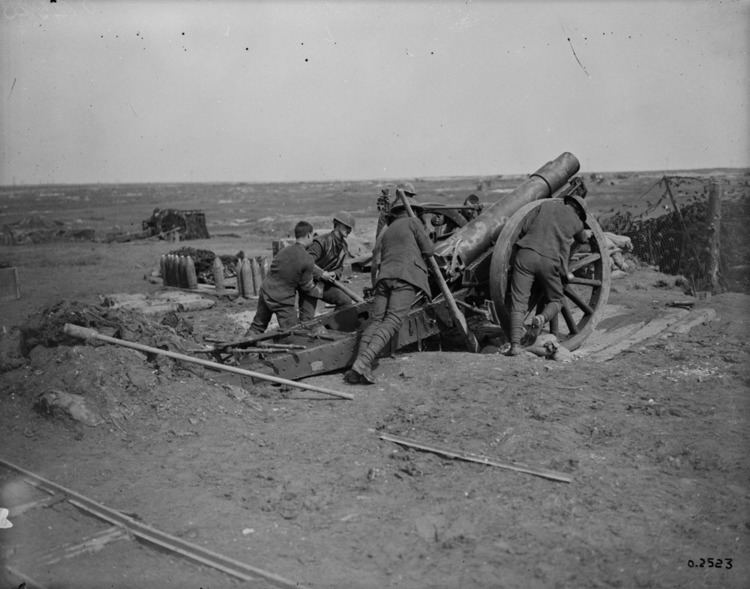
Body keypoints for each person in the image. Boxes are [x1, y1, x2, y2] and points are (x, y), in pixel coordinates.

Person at [345, 197, 434, 384]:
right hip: (405, 277)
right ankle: (363, 363)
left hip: (384, 278)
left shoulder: (387, 231)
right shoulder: (413, 222)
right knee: (393, 320)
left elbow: (378, 258)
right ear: (413, 210)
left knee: (376, 321)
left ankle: (359, 366)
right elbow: (429, 250)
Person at [507, 194, 593, 356]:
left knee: (518, 302)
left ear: (568, 202)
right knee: (556, 300)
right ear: (579, 212)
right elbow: (582, 239)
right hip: (549, 261)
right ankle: (541, 318)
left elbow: (524, 228)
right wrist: (585, 234)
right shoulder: (577, 222)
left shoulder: (545, 206)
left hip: (526, 255)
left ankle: (515, 346)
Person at [247, 221, 320, 334]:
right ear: (309, 235)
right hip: (282, 300)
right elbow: (306, 287)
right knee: (293, 332)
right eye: (313, 236)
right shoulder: (308, 259)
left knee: (257, 327)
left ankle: (241, 347)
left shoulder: (282, 251)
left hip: (266, 292)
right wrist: (319, 290)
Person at [298, 211, 357, 323]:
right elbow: (306, 262)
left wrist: (335, 273)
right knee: (306, 322)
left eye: (350, 228)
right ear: (337, 224)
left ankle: (331, 327)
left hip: (324, 285)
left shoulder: (344, 246)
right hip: (309, 284)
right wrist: (321, 274)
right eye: (346, 226)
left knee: (345, 302)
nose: (349, 230)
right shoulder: (321, 242)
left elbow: (340, 268)